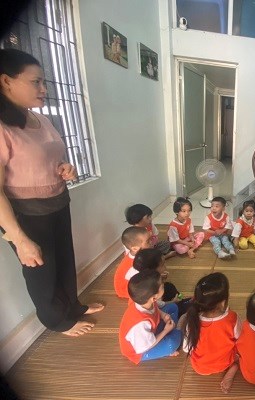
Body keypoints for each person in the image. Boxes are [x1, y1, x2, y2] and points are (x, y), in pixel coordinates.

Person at [0, 49, 103, 336]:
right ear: (6, 81)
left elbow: (45, 159)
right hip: (27, 214)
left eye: (43, 82)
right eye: (36, 82)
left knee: (64, 260)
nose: (44, 89)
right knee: (41, 271)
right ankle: (57, 322)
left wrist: (65, 168)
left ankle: (73, 306)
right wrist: (19, 238)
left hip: (57, 202)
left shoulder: (40, 119)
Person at [183, 272, 241, 394]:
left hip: (200, 368)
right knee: (244, 348)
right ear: (223, 302)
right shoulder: (232, 318)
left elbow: (186, 348)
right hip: (225, 363)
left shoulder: (192, 320)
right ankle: (234, 367)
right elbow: (240, 338)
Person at [118, 270, 182, 364]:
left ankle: (171, 330)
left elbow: (155, 309)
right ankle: (173, 333)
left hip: (151, 331)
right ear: (154, 298)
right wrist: (165, 331)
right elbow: (147, 346)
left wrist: (163, 315)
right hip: (142, 350)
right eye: (162, 286)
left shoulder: (145, 301)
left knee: (172, 307)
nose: (164, 285)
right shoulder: (141, 324)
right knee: (172, 343)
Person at [132, 248, 191, 318]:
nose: (165, 267)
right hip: (159, 314)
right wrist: (172, 302)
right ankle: (181, 306)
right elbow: (158, 305)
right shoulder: (148, 293)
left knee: (169, 287)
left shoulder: (142, 279)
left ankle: (181, 301)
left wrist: (159, 277)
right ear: (152, 270)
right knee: (170, 290)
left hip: (159, 305)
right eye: (162, 265)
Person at [114, 226, 152, 299]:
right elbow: (141, 280)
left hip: (132, 283)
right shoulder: (135, 265)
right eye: (148, 241)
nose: (151, 242)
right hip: (125, 290)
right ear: (135, 248)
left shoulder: (136, 255)